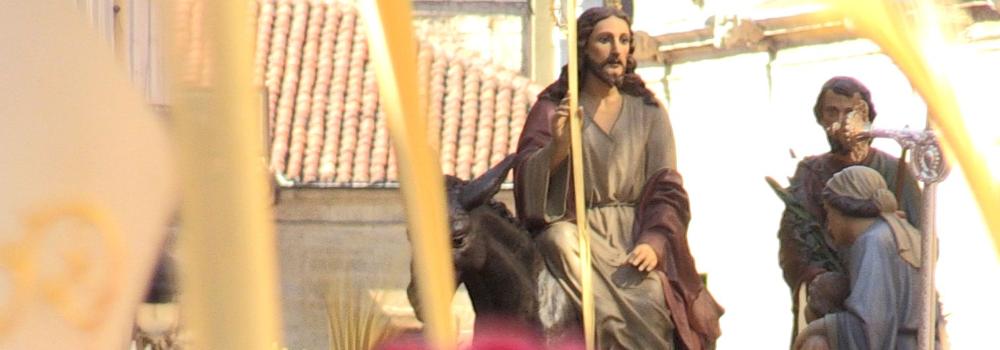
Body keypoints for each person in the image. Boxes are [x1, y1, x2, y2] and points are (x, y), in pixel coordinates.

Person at [513, 6, 722, 349]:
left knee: (653, 298)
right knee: (557, 240)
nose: (616, 50)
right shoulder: (554, 109)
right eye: (605, 40)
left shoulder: (648, 112)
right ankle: (601, 321)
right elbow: (526, 181)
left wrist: (654, 241)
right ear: (583, 47)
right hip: (578, 234)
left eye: (624, 40)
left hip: (632, 235)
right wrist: (559, 146)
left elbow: (667, 187)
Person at [777, 76, 924, 343]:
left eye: (849, 112)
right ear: (820, 119)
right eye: (831, 112)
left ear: (866, 116)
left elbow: (922, 242)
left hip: (884, 296)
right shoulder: (810, 174)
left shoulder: (896, 172)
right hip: (828, 298)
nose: (841, 122)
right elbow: (793, 243)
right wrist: (821, 278)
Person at [792, 165, 944, 350]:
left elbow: (872, 325)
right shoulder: (894, 232)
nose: (829, 226)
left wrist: (818, 327)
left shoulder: (873, 241)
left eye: (829, 213)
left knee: (815, 344)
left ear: (843, 209)